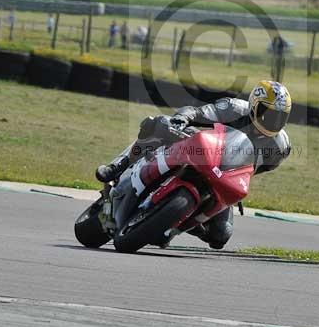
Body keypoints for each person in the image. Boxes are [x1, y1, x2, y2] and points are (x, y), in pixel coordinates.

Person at [96, 80, 292, 249]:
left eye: (279, 117)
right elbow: (198, 112)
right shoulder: (234, 109)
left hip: (223, 172)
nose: (272, 120)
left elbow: (256, 170)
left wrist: (235, 177)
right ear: (253, 105)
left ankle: (176, 224)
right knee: (159, 124)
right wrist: (182, 119)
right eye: (266, 112)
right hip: (202, 148)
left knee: (221, 235)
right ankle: (119, 165)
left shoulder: (280, 147)